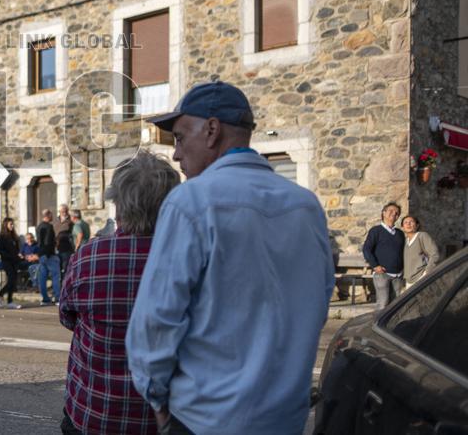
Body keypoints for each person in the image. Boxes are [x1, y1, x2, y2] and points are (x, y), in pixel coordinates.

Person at [127, 81, 334, 435]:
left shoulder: (191, 201)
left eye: (179, 138)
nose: (176, 154)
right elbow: (318, 301)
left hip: (206, 419)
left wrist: (159, 404)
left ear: (211, 130)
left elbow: (156, 321)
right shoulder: (306, 205)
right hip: (282, 419)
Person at [60, 152, 180, 435]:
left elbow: (68, 317)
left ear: (117, 204)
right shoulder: (185, 257)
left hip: (94, 413)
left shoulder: (88, 257)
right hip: (161, 421)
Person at [363, 202, 405, 310]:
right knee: (382, 305)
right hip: (382, 274)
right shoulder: (376, 231)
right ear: (384, 213)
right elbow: (366, 249)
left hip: (398, 275)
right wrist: (375, 266)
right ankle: (375, 327)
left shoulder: (400, 233)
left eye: (397, 213)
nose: (394, 214)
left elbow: (403, 251)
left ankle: (392, 327)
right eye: (391, 211)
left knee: (396, 306)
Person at [402, 214, 440, 287]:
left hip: (421, 277)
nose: (408, 224)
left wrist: (426, 272)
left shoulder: (422, 236)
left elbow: (434, 254)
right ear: (403, 227)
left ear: (417, 225)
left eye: (411, 222)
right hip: (409, 280)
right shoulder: (405, 241)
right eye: (405, 222)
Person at [0, 218, 23, 309]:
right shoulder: (2, 237)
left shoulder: (14, 237)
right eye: (10, 224)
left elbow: (16, 249)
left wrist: (18, 255)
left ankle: (10, 301)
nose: (12, 226)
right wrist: (9, 255)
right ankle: (0, 294)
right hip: (6, 261)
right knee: (11, 279)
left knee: (13, 282)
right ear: (6, 225)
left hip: (14, 261)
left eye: (13, 224)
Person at [36, 209, 61, 304]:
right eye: (51, 215)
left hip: (41, 255)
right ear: (48, 215)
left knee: (42, 278)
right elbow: (47, 242)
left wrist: (40, 254)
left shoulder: (39, 226)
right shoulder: (49, 227)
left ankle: (45, 298)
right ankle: (57, 297)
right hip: (49, 255)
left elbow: (39, 242)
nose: (52, 217)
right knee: (55, 276)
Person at [55, 204, 75, 276]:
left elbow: (73, 235)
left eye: (66, 211)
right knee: (57, 267)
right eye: (62, 211)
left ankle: (65, 284)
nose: (64, 213)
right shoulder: (56, 221)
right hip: (56, 248)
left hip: (67, 248)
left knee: (66, 267)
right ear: (59, 211)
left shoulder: (71, 221)